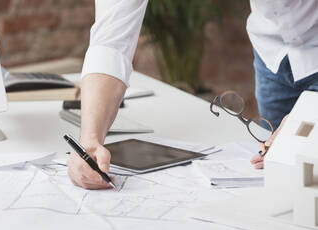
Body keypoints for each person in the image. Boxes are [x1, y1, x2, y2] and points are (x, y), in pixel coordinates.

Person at [67, 0, 318, 189]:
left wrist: (310, 117)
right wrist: (90, 139)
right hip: (273, 50)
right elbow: (111, 41)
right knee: (283, 181)